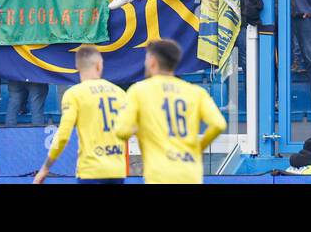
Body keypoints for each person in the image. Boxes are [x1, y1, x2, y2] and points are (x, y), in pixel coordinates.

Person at [113, 38, 226, 184]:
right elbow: (219, 124)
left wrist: (137, 128)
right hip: (190, 172)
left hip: (159, 173)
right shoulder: (195, 92)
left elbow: (121, 131)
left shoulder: (139, 91)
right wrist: (198, 148)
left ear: (152, 61)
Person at [34, 44, 128, 184]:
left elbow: (63, 136)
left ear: (77, 67)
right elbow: (129, 129)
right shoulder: (119, 93)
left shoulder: (74, 94)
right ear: (99, 65)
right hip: (117, 170)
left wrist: (45, 168)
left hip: (91, 170)